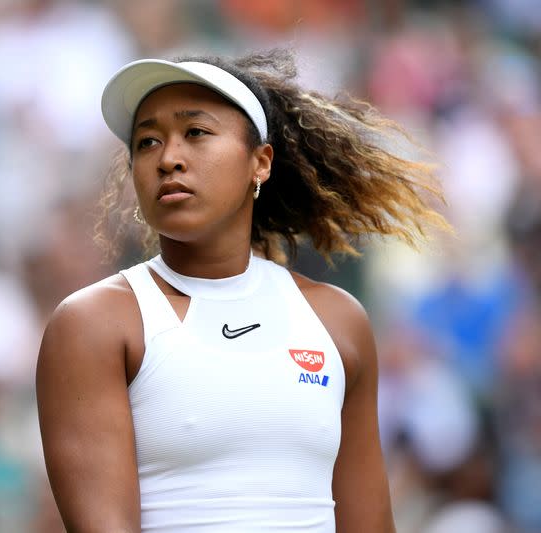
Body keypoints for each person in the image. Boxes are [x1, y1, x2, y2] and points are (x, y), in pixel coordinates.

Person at [36, 49, 448, 532]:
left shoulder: (339, 322)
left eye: (196, 132)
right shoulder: (93, 324)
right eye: (147, 142)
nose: (168, 158)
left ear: (261, 162)